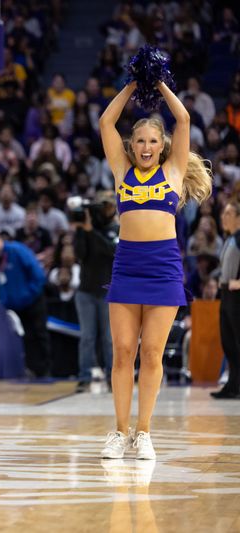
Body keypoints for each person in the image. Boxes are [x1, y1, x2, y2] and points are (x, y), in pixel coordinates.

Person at [99, 81, 212, 460]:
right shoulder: (121, 170)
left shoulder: (174, 171)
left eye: (152, 142)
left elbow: (182, 117)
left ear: (162, 146)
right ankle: (119, 431)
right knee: (122, 352)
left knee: (151, 353)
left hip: (163, 267)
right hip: (127, 265)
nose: (146, 148)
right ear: (131, 147)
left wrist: (159, 81)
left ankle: (143, 431)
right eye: (140, 142)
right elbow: (105, 122)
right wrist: (133, 84)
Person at [0, 229, 51, 378]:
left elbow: (38, 275)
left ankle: (46, 370)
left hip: (33, 302)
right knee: (25, 339)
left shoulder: (16, 250)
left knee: (39, 335)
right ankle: (31, 369)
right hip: (15, 307)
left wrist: (29, 294)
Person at [72, 191, 119, 391]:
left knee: (109, 338)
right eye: (102, 205)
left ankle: (112, 377)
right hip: (85, 291)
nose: (106, 209)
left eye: (108, 205)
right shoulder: (86, 228)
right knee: (87, 337)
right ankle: (84, 376)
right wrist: (83, 230)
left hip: (108, 291)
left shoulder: (116, 229)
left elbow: (112, 251)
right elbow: (80, 255)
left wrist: (91, 232)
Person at [212, 200, 240, 399]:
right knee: (229, 343)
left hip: (237, 295)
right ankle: (233, 386)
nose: (223, 217)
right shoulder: (230, 238)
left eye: (228, 214)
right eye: (223, 214)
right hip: (226, 295)